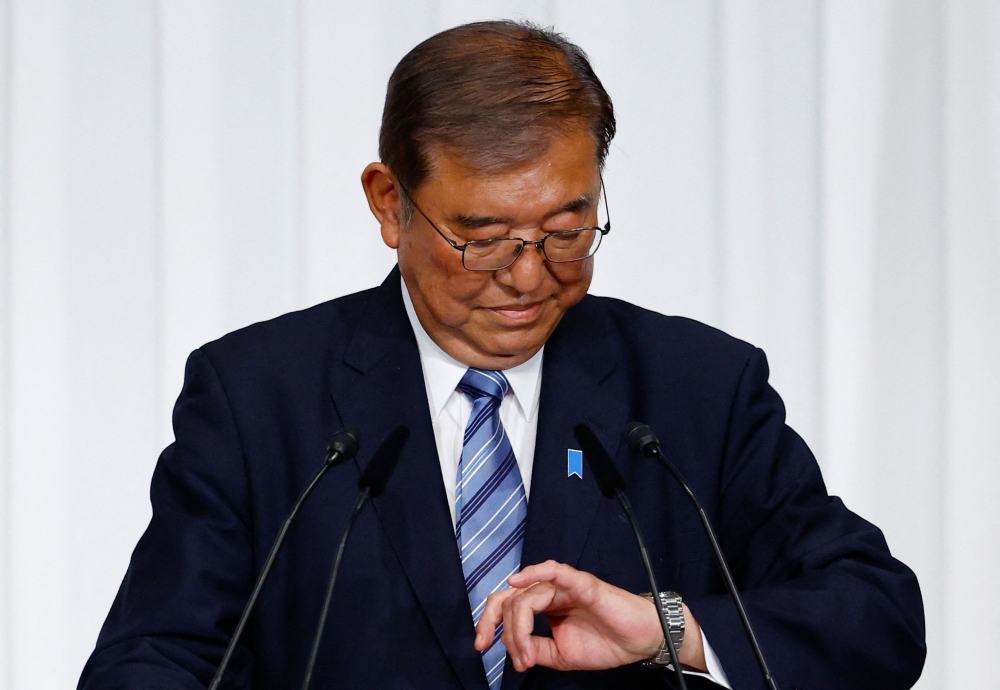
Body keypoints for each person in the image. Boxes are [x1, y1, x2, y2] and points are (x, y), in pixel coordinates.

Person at [78, 20, 925, 690]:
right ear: (389, 202)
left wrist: (669, 627)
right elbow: (149, 659)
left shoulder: (695, 388)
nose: (528, 276)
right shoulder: (261, 398)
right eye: (481, 238)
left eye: (566, 231)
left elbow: (878, 615)